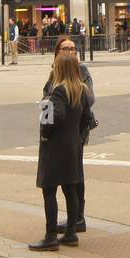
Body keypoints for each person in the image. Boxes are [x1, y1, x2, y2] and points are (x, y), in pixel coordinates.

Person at [30, 49, 92, 252]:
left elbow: (51, 119)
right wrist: (78, 136)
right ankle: (71, 232)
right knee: (70, 188)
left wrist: (44, 131)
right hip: (73, 145)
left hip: (55, 147)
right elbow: (87, 119)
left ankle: (50, 236)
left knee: (49, 189)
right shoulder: (82, 90)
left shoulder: (57, 91)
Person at [47, 36, 95, 236]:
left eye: (73, 48)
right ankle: (73, 225)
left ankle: (77, 220)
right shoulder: (53, 74)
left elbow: (88, 101)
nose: (69, 52)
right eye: (65, 48)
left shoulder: (81, 72)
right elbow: (45, 100)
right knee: (70, 178)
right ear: (57, 52)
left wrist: (45, 129)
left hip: (71, 133)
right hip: (68, 133)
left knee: (73, 178)